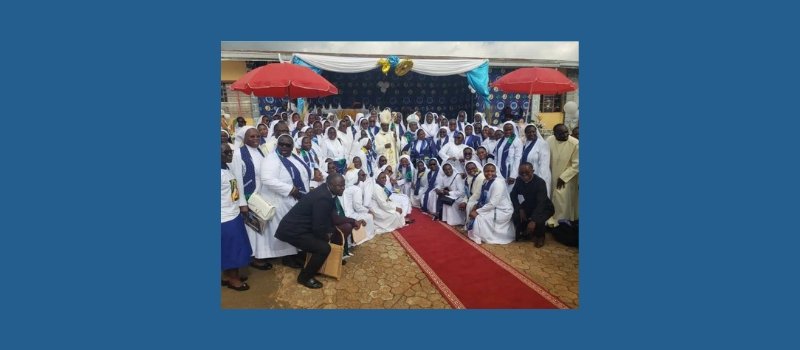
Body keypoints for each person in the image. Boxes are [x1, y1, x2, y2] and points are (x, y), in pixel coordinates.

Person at [275, 173, 349, 289]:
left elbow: (326, 216)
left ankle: (325, 261)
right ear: (330, 185)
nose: (343, 188)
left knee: (327, 238)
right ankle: (305, 277)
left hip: (300, 227)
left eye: (343, 185)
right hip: (292, 230)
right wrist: (326, 238)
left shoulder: (327, 191)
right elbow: (318, 226)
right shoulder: (323, 197)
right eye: (340, 186)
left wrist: (330, 231)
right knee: (323, 248)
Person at [258, 135, 311, 268]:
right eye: (281, 144)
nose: (284, 147)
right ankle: (288, 257)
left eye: (288, 145)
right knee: (288, 229)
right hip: (282, 200)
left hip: (296, 199)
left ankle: (297, 253)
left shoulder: (293, 156)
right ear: (277, 145)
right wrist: (290, 189)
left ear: (292, 146)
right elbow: (267, 179)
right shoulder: (271, 159)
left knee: (297, 228)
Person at [230, 126, 273, 270]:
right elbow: (237, 180)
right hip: (250, 195)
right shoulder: (238, 154)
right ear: (244, 138)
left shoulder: (261, 150)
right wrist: (242, 202)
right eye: (251, 137)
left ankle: (262, 253)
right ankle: (254, 257)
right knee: (252, 228)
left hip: (263, 194)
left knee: (262, 226)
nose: (255, 139)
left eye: (257, 136)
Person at [221, 143, 253, 291]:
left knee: (230, 248)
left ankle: (228, 276)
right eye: (225, 153)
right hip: (225, 217)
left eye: (230, 152)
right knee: (233, 249)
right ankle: (234, 280)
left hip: (232, 213)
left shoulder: (226, 168)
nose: (230, 155)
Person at [467, 163, 515, 245]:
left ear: (496, 172)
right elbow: (483, 197)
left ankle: (488, 236)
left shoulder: (498, 183)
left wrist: (478, 211)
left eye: (492, 171)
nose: (489, 173)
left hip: (502, 210)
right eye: (487, 171)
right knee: (472, 208)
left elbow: (493, 203)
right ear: (483, 172)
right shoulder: (486, 181)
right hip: (492, 207)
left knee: (479, 218)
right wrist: (476, 206)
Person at [510, 162, 555, 247]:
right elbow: (513, 195)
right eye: (521, 173)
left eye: (527, 173)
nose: (524, 175)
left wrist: (533, 220)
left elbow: (541, 203)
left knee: (539, 219)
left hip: (545, 206)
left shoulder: (540, 182)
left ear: (533, 171)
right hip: (529, 204)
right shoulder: (519, 180)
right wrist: (520, 208)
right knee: (516, 214)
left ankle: (540, 236)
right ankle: (525, 232)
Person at [546, 124, 579, 227]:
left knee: (562, 201)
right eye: (561, 133)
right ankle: (550, 221)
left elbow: (577, 164)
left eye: (566, 132)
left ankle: (562, 224)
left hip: (567, 177)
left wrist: (563, 177)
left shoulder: (575, 143)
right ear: (554, 134)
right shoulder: (549, 140)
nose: (566, 135)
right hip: (552, 174)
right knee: (551, 198)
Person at [342, 168, 376, 244]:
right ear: (355, 177)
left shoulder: (345, 186)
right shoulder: (355, 189)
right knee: (369, 217)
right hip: (350, 215)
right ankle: (365, 236)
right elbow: (357, 207)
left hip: (343, 214)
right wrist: (368, 211)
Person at [521, 124, 552, 196]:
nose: (531, 134)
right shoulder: (525, 143)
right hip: (526, 176)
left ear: (536, 132)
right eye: (529, 132)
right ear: (525, 133)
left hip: (538, 175)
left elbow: (544, 164)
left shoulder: (542, 144)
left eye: (533, 132)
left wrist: (539, 181)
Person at [494, 122, 523, 188]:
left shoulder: (517, 141)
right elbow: (496, 156)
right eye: (506, 130)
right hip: (498, 170)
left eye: (510, 129)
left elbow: (517, 159)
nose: (508, 131)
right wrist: (494, 170)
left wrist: (513, 175)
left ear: (513, 129)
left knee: (508, 192)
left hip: (510, 170)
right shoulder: (499, 141)